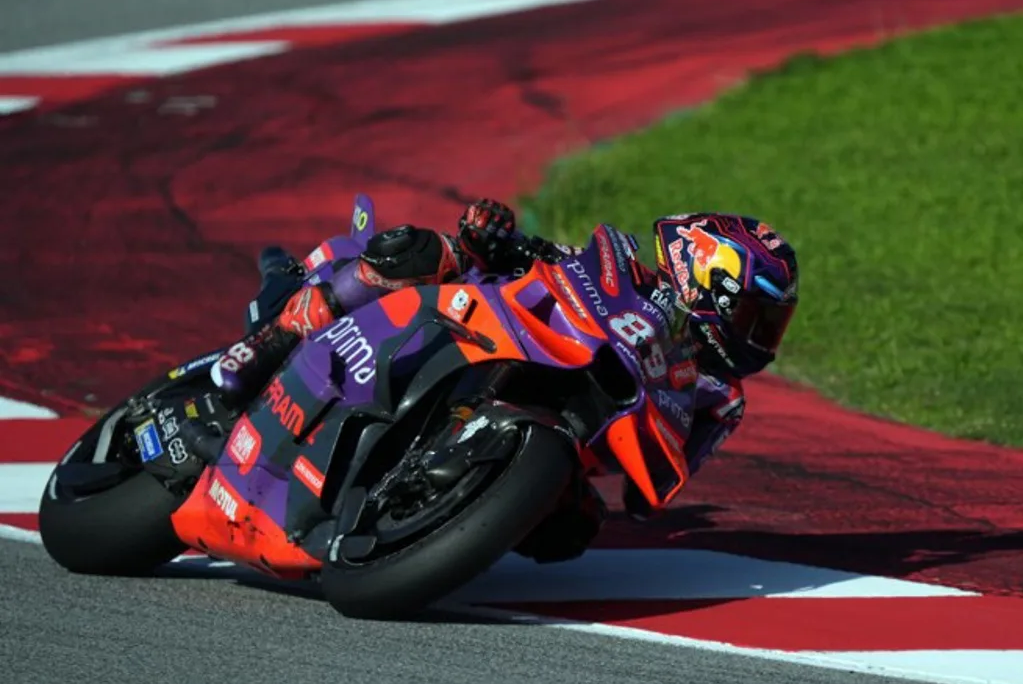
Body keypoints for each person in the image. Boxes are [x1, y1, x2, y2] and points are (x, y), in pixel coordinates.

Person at [209, 198, 799, 560]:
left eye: (769, 324)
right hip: (500, 333)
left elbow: (649, 500)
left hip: (573, 434)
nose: (760, 336)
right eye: (757, 316)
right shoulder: (632, 272)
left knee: (572, 533)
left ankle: (428, 519)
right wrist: (492, 234)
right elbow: (538, 256)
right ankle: (272, 341)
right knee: (418, 252)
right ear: (708, 277)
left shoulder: (723, 399)